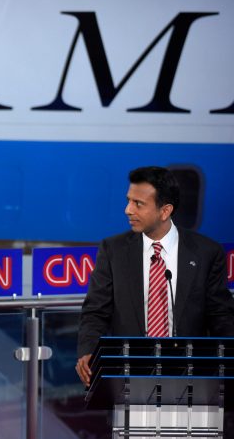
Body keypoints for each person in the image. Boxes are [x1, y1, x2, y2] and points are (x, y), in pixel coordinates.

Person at [75, 166, 234, 387]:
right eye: (128, 200)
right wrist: (88, 351)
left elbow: (221, 316)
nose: (128, 210)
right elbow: (95, 311)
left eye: (138, 204)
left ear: (165, 211)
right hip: (129, 377)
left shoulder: (206, 253)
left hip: (191, 379)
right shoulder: (113, 250)